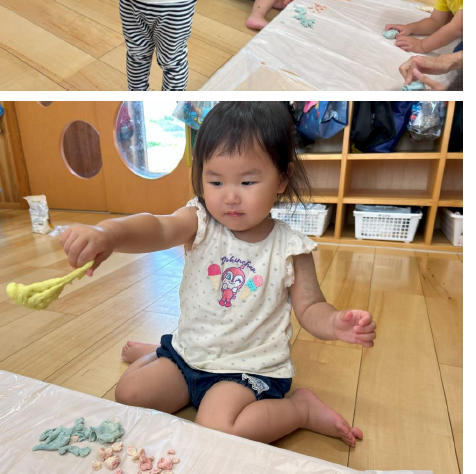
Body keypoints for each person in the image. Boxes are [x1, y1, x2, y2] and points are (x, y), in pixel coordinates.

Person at [58, 102, 373, 446]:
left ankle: (301, 409)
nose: (230, 196)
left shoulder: (290, 248)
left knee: (217, 429)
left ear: (282, 178)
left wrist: (334, 323)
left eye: (248, 181)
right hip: (189, 355)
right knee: (129, 393)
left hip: (246, 368)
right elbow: (158, 228)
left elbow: (311, 308)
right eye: (216, 181)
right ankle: (161, 351)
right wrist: (108, 234)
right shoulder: (200, 221)